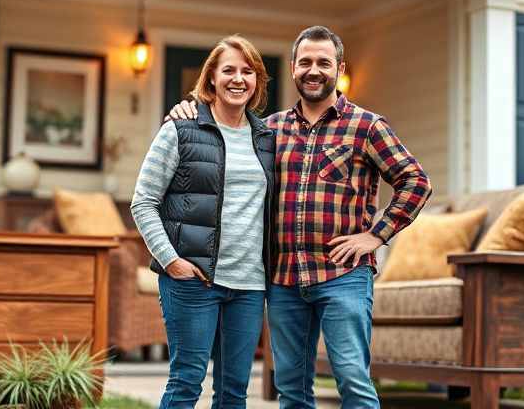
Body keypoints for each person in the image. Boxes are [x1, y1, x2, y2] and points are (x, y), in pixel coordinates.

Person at [168, 26, 432, 408]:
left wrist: (374, 236)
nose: (314, 70)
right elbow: (222, 131)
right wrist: (187, 110)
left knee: (352, 381)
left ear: (339, 68)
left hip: (342, 276)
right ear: (292, 68)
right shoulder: (269, 130)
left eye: (324, 63)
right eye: (305, 62)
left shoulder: (366, 127)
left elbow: (415, 181)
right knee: (291, 389)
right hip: (284, 279)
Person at [131, 35, 276, 408]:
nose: (238, 79)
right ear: (211, 77)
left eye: (248, 71)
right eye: (228, 69)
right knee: (186, 384)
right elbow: (143, 202)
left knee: (233, 393)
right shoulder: (180, 130)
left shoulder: (268, 139)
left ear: (258, 81)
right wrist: (171, 261)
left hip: (248, 284)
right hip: (193, 280)